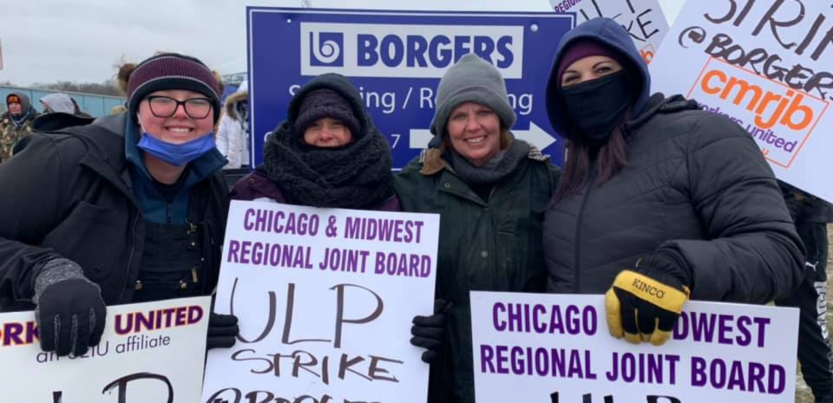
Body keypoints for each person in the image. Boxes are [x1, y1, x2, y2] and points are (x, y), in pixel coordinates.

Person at [542, 18, 804, 347]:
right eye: (572, 78)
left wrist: (683, 266)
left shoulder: (701, 135)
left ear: (632, 75)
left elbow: (779, 252)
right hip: (579, 376)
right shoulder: (570, 168)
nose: (588, 84)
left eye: (603, 70)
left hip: (674, 373)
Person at [0, 52, 238, 357]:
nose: (181, 113)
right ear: (135, 110)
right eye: (162, 100)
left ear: (214, 116)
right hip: (61, 367)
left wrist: (192, 328)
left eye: (198, 102)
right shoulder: (66, 159)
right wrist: (44, 272)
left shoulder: (211, 180)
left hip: (159, 372)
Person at [395, 54, 561, 403]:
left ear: (500, 118)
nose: (473, 126)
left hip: (524, 379)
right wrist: (407, 320)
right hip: (440, 380)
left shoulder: (547, 181)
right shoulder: (412, 186)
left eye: (483, 112)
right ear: (444, 127)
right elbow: (379, 277)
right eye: (459, 116)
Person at [231, 73, 397, 211]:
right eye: (314, 126)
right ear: (299, 133)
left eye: (336, 124)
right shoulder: (255, 189)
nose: (325, 135)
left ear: (356, 131)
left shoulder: (388, 190)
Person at [777, 181, 833, 403]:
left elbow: (817, 166)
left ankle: (826, 392)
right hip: (740, 215)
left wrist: (792, 206)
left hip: (802, 223)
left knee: (806, 316)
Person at [217, 81, 250, 169]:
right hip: (234, 165)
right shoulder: (230, 115)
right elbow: (221, 136)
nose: (246, 104)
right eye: (244, 100)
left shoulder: (264, 114)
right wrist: (223, 156)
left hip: (258, 165)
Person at [0, 92, 39, 163]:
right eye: (10, 104)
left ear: (25, 105)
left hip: (30, 166)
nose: (13, 107)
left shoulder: (38, 121)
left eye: (17, 104)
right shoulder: (3, 123)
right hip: (6, 167)